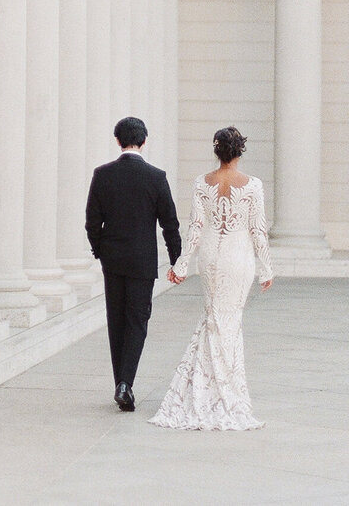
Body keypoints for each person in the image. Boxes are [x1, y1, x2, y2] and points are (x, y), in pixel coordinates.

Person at [150, 125, 274, 431]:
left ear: (217, 151)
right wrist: (267, 268)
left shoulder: (201, 183)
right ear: (240, 151)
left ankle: (205, 389)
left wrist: (181, 265)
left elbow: (194, 228)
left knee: (214, 318)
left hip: (209, 256)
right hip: (237, 258)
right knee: (228, 321)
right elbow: (258, 230)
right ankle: (225, 394)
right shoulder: (253, 185)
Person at [83, 116, 181, 412]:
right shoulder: (156, 177)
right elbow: (170, 224)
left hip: (113, 261)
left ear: (117, 140)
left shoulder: (103, 174)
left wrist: (100, 250)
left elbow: (91, 222)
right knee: (137, 321)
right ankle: (125, 383)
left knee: (116, 321)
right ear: (144, 140)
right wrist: (178, 261)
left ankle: (120, 383)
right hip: (142, 262)